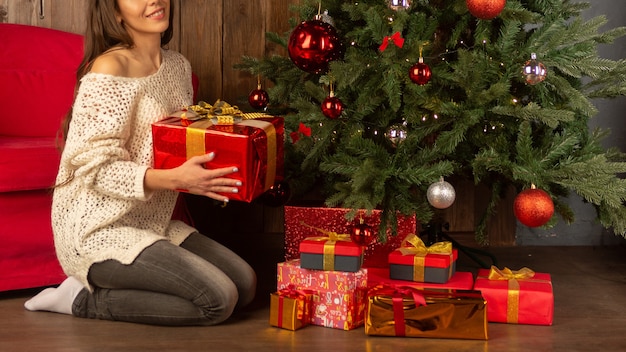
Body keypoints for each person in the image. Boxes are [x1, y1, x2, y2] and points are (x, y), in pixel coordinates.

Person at [23, 0, 256, 326]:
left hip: (151, 223)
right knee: (218, 300)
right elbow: (94, 167)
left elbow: (175, 142)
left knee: (244, 285)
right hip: (97, 230)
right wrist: (177, 179)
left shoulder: (178, 67)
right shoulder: (109, 68)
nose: (154, 0)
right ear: (115, 11)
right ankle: (80, 299)